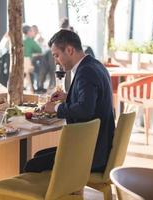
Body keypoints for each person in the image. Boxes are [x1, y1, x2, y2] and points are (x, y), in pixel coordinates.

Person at [24, 29, 115, 173]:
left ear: (70, 50)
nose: (55, 61)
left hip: (92, 153)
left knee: (32, 165)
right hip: (101, 147)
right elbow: (92, 101)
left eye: (56, 55)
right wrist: (68, 96)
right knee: (39, 157)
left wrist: (54, 109)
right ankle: (62, 192)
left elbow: (85, 110)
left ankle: (55, 193)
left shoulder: (86, 72)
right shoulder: (95, 65)